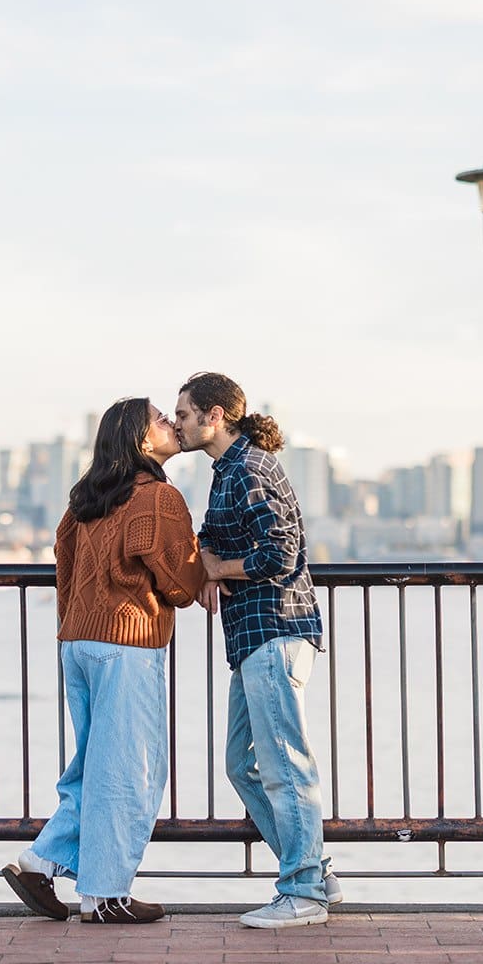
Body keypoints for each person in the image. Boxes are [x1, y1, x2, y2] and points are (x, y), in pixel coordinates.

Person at [2, 397, 206, 924]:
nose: (169, 424)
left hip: (80, 644)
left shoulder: (85, 499)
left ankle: (40, 862)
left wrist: (77, 625)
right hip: (127, 646)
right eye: (160, 419)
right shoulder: (158, 498)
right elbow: (182, 586)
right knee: (130, 771)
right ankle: (104, 894)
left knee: (96, 764)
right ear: (143, 442)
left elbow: (63, 566)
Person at [172, 372, 339, 929]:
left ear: (214, 416)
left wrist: (218, 569)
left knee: (286, 764)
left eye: (185, 413)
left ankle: (303, 891)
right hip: (253, 638)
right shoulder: (230, 471)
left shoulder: (248, 468)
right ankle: (313, 871)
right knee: (242, 764)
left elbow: (282, 553)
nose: (178, 423)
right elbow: (215, 532)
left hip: (275, 631)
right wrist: (209, 555)